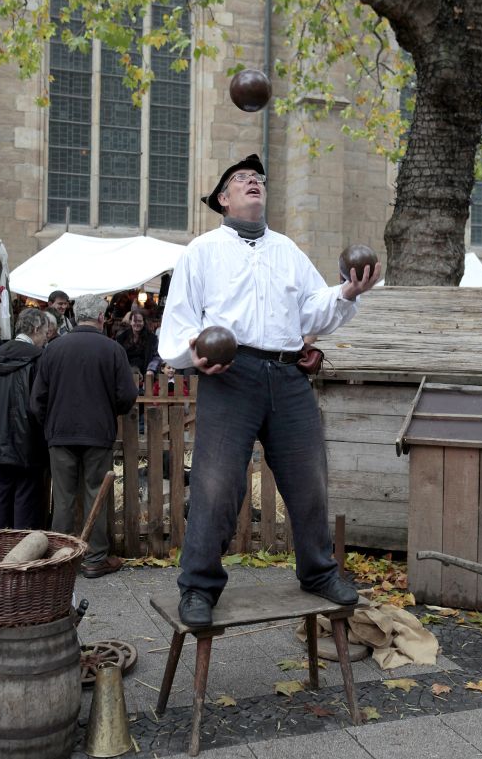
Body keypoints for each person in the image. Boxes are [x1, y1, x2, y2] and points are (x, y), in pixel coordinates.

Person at [158, 153, 382, 627]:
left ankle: (318, 572)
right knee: (217, 485)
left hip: (286, 374)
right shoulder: (201, 251)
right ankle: (198, 585)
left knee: (309, 478)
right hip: (229, 373)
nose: (253, 182)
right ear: (223, 199)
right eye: (241, 179)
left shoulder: (287, 250)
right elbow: (179, 320)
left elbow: (312, 310)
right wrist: (191, 354)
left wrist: (346, 292)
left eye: (257, 178)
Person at [30, 294, 138, 578]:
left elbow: (37, 400)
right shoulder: (112, 349)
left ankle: (60, 559)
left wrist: (50, 423)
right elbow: (127, 395)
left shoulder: (53, 349)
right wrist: (109, 411)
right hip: (97, 432)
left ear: (76, 316)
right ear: (101, 317)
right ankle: (94, 557)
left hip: (61, 433)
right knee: (96, 494)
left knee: (63, 497)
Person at [0, 308, 49, 529]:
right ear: (36, 328)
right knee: (25, 497)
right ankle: (19, 546)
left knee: (2, 495)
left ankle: (2, 543)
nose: (46, 338)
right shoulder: (38, 358)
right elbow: (40, 403)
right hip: (28, 441)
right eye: (45, 332)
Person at [116, 309, 162, 382]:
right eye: (135, 321)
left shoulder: (152, 338)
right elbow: (117, 357)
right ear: (130, 322)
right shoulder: (121, 338)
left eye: (140, 321)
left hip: (146, 375)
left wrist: (151, 369)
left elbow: (156, 356)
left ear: (143, 322)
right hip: (126, 374)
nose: (137, 323)